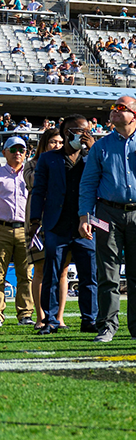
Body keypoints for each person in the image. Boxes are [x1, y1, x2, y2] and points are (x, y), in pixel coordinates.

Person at [78, 96, 136, 342]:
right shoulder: (100, 147)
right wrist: (84, 216)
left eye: (121, 108)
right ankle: (107, 326)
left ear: (135, 115)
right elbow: (88, 183)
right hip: (106, 213)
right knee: (107, 273)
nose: (114, 111)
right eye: (113, 108)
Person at [30, 114, 98, 335]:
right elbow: (38, 190)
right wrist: (34, 220)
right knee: (51, 274)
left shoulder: (93, 157)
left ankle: (90, 319)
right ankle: (50, 320)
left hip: (85, 225)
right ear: (65, 132)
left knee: (89, 275)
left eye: (86, 130)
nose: (83, 134)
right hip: (56, 224)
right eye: (77, 130)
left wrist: (93, 149)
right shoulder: (48, 158)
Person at [26, 128, 65, 329]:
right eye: (53, 142)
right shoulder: (32, 164)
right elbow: (34, 183)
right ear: (44, 143)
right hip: (38, 222)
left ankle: (59, 317)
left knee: (63, 271)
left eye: (60, 142)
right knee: (40, 269)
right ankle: (41, 317)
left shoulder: (66, 162)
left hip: (61, 220)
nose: (57, 146)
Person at [0, 136, 31, 327]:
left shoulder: (31, 174)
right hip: (1, 228)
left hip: (25, 229)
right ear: (4, 152)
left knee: (26, 275)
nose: (17, 153)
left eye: (21, 149)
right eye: (13, 149)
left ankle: (25, 314)